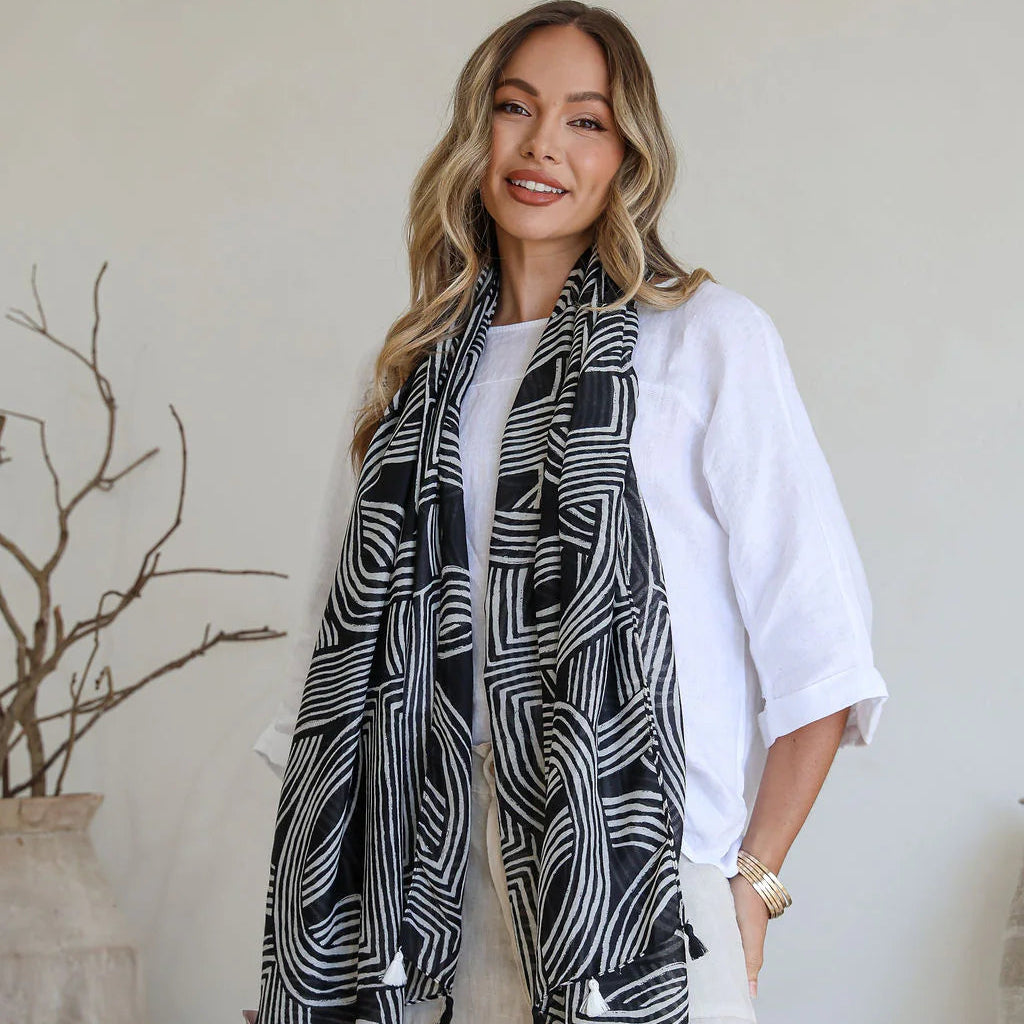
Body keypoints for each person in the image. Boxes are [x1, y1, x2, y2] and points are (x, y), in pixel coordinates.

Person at [246, 4, 889, 1023]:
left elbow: (823, 650)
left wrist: (754, 882)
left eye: (585, 120)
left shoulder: (704, 341)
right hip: (414, 893)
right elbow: (323, 664)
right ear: (477, 132)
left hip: (639, 887)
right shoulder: (408, 374)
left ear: (628, 154)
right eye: (516, 108)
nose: (543, 144)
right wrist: (307, 943)